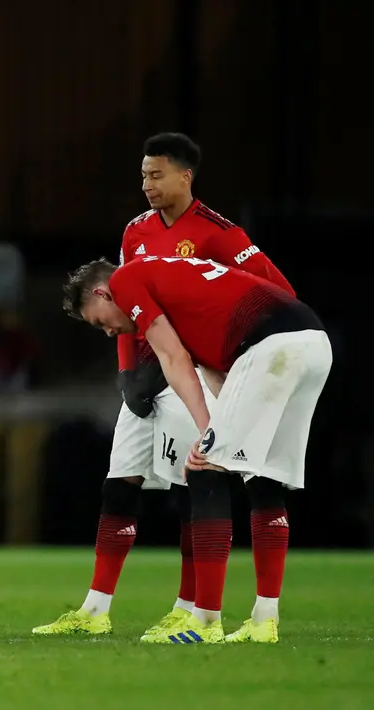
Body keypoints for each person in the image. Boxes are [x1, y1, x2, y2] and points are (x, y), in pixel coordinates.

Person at [33, 133, 294, 641]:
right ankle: (94, 610)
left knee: (190, 487)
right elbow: (126, 305)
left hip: (192, 371)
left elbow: (278, 293)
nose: (148, 185)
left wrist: (230, 337)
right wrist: (127, 370)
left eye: (156, 175)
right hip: (148, 374)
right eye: (143, 176)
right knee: (119, 483)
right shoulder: (135, 232)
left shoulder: (220, 234)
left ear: (185, 176)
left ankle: (189, 607)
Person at [63, 255, 330, 643]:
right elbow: (214, 371)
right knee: (266, 479)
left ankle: (204, 620)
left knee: (204, 471)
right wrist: (217, 430)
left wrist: (210, 439)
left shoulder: (127, 279)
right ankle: (263, 620)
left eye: (100, 321)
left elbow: (173, 358)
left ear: (103, 292)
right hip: (313, 343)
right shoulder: (180, 296)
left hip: (270, 348)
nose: (108, 332)